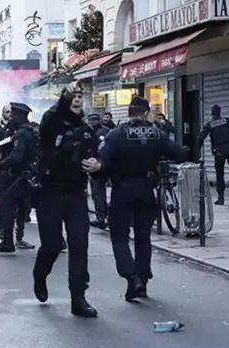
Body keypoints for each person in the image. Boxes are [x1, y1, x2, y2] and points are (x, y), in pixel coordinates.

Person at [83, 96, 187, 301]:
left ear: (129, 112)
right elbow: (180, 154)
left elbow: (102, 162)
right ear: (146, 112)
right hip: (147, 191)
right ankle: (143, 280)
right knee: (143, 238)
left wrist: (99, 170)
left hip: (123, 191)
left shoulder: (116, 134)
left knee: (120, 237)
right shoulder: (157, 133)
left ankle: (132, 278)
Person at [32, 81, 100, 318]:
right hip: (49, 193)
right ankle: (40, 275)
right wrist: (65, 96)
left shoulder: (86, 129)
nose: (77, 100)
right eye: (73, 96)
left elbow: (97, 156)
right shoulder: (52, 122)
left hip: (76, 195)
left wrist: (97, 165)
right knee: (51, 246)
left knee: (79, 246)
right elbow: (51, 122)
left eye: (81, 96)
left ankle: (78, 298)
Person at [0, 102, 37, 253]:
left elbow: (16, 157)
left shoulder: (22, 132)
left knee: (8, 205)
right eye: (8, 113)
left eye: (13, 113)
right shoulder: (1, 128)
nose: (11, 116)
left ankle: (9, 241)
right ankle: (7, 239)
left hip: (20, 174)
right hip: (22, 174)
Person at [197, 104, 229, 205]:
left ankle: (221, 198)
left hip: (218, 151)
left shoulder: (210, 124)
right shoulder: (228, 120)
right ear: (220, 112)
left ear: (212, 113)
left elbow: (201, 137)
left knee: (220, 174)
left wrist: (198, 147)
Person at [86, 113, 110, 229]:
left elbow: (93, 150)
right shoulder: (108, 131)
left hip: (98, 166)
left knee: (98, 192)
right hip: (111, 164)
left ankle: (101, 217)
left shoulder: (93, 133)